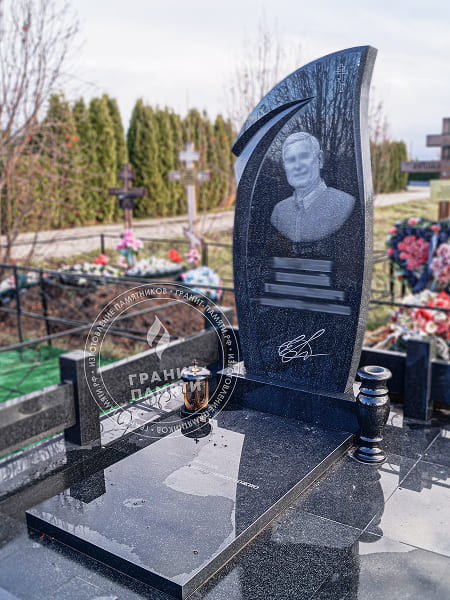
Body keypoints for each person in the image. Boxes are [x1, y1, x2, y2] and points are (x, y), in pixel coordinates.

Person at [270, 132, 355, 243]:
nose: (297, 166)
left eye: (303, 157)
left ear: (320, 159)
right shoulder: (279, 211)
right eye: (290, 160)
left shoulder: (345, 204)